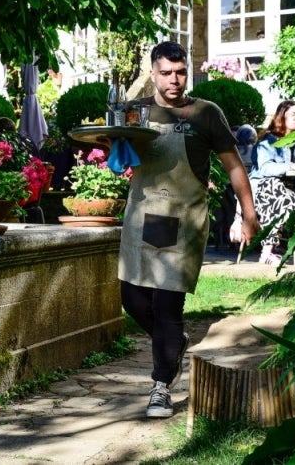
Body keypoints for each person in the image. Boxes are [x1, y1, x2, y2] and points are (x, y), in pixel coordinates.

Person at [118, 41, 259, 419]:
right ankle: (174, 342)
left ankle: (161, 386)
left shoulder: (205, 114)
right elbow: (117, 155)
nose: (174, 80)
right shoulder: (136, 112)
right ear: (153, 73)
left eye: (180, 72)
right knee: (132, 300)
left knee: (167, 305)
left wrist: (247, 213)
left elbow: (233, 166)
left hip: (183, 220)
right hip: (142, 216)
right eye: (166, 72)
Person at [247, 100, 295, 265]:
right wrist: (291, 166)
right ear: (282, 117)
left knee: (292, 197)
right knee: (281, 192)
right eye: (293, 114)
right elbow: (266, 169)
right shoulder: (268, 141)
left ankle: (266, 252)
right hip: (263, 189)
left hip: (291, 191)